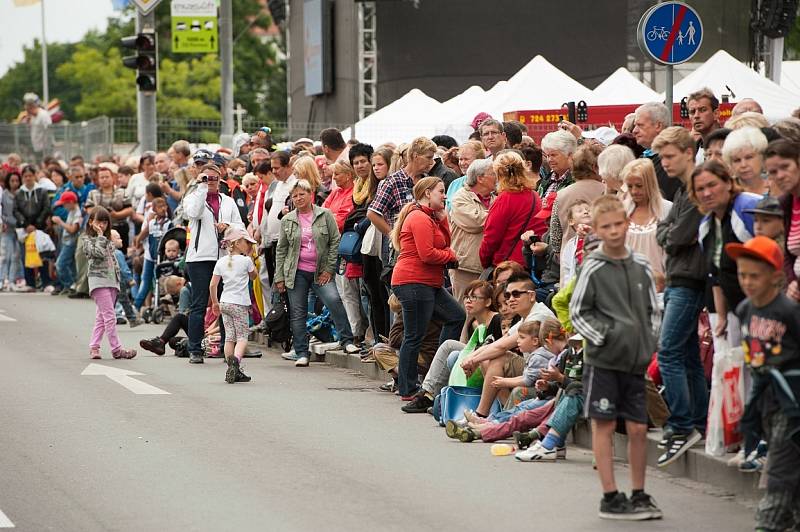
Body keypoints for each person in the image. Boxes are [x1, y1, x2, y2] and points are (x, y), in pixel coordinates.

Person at [569, 195, 661, 521]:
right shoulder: (592, 267)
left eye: (618, 224)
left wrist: (649, 341)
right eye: (605, 226)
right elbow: (579, 312)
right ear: (595, 228)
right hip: (604, 362)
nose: (613, 231)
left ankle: (638, 492)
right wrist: (605, 337)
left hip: (635, 362)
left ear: (627, 224)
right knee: (604, 425)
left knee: (638, 428)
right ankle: (610, 495)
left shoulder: (640, 265)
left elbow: (654, 308)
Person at [727, 237, 800, 532]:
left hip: (792, 402)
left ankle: (767, 523)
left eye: (754, 275)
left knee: (781, 466)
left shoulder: (788, 311)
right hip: (765, 400)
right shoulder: (745, 310)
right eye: (742, 274)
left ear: (775, 276)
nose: (747, 281)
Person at [390, 176, 465, 399]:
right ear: (427, 194)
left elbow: (444, 242)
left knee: (456, 316)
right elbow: (428, 254)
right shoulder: (419, 218)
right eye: (441, 191)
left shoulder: (430, 217)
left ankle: (438, 371)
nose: (445, 195)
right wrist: (451, 256)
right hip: (414, 281)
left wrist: (443, 219)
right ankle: (408, 388)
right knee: (414, 336)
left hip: (428, 283)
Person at [274, 179, 359, 367]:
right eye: (294, 196)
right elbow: (281, 249)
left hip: (321, 271)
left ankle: (347, 341)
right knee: (298, 312)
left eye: (301, 194)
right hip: (296, 272)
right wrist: (279, 277)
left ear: (310, 194)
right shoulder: (288, 220)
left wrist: (329, 269)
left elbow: (335, 241)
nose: (298, 198)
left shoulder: (324, 215)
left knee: (334, 301)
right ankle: (302, 352)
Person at [691, 160, 760, 353]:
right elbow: (715, 274)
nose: (707, 193)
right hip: (730, 308)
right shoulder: (706, 226)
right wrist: (721, 316)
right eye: (700, 189)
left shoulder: (747, 207)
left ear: (728, 183)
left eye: (712, 185)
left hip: (759, 307)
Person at [403, 280, 501, 413]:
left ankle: (429, 395)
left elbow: (496, 347)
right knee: (453, 355)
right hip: (477, 361)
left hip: (492, 362)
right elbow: (467, 348)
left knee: (450, 347)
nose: (468, 301)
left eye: (474, 297)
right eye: (467, 297)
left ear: (488, 302)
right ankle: (443, 398)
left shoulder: (496, 320)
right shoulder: (472, 321)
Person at [183, 163, 244, 365]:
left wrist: (229, 227)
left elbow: (240, 225)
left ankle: (228, 348)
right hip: (200, 258)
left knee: (226, 303)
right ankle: (195, 348)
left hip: (225, 257)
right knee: (199, 303)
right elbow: (194, 213)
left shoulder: (228, 201)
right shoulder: (192, 197)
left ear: (220, 180)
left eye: (214, 178)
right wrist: (201, 188)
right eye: (206, 177)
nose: (210, 181)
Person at [82, 207, 137, 360]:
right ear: (91, 222)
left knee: (101, 318)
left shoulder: (106, 239)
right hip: (98, 282)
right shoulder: (87, 240)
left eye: (105, 222)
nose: (102, 225)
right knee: (110, 317)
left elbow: (113, 259)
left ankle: (94, 347)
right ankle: (117, 349)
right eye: (99, 221)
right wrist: (100, 236)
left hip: (111, 282)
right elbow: (97, 254)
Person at [480, 152, 543, 270]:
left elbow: (491, 238)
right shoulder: (534, 196)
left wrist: (485, 262)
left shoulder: (504, 199)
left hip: (508, 265)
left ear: (499, 174)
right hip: (531, 261)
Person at [210, 228, 257, 384]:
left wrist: (215, 303)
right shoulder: (245, 261)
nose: (248, 245)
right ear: (237, 243)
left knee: (229, 337)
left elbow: (213, 285)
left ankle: (231, 367)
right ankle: (236, 363)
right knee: (242, 337)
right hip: (240, 304)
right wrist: (250, 258)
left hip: (224, 302)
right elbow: (254, 276)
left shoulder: (221, 262)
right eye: (246, 242)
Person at [449, 159, 495, 303]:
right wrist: (500, 216)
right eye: (493, 174)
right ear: (480, 178)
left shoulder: (495, 199)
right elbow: (475, 222)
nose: (497, 177)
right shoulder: (460, 198)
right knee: (465, 311)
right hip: (465, 266)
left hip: (488, 266)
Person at [620, 159, 672, 279]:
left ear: (650, 183)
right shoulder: (622, 210)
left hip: (660, 285)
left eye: (639, 186)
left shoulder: (668, 209)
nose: (634, 191)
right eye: (630, 186)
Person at [764, 139, 800, 303]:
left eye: (785, 167)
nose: (780, 176)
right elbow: (787, 253)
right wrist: (792, 281)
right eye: (772, 172)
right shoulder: (785, 203)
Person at [132, 197, 172, 312]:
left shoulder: (169, 224)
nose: (163, 208)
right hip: (150, 256)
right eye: (160, 207)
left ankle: (160, 306)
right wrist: (138, 246)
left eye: (165, 206)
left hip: (162, 258)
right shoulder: (151, 223)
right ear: (154, 209)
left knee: (158, 282)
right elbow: (141, 236)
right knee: (145, 281)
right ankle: (136, 306)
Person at [633, 102, 678, 201]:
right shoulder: (643, 158)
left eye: (640, 125)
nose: (634, 131)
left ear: (658, 126)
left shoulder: (673, 160)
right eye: (635, 125)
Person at [85, 164, 133, 253]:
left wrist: (116, 214)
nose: (104, 179)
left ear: (112, 177)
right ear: (98, 180)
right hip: (100, 230)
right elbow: (88, 209)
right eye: (101, 177)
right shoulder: (92, 193)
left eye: (107, 177)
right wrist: (101, 215)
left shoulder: (122, 192)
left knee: (121, 254)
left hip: (120, 227)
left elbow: (129, 209)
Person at [722, 126, 769, 196]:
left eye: (749, 157)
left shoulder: (778, 187)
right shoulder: (726, 193)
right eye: (737, 160)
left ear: (762, 157)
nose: (743, 165)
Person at [51, 191, 82, 295]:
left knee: (60, 264)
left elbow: (73, 229)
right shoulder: (72, 211)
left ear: (71, 202)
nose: (63, 206)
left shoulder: (78, 212)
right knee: (71, 265)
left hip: (71, 242)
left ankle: (70, 284)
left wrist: (60, 222)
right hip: (67, 241)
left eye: (65, 203)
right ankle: (71, 285)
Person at [445, 140, 486, 210]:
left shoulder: (487, 183)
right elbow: (447, 210)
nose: (462, 163)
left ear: (479, 160)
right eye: (460, 159)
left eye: (466, 159)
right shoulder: (454, 184)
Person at [537, 130, 576, 201]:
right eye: (547, 156)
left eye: (553, 155)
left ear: (569, 155)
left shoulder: (577, 180)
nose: (549, 160)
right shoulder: (545, 180)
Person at [1, 172, 23, 291]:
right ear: (8, 182)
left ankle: (12, 279)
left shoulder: (21, 194)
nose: (14, 183)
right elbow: (3, 212)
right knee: (5, 256)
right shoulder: (4, 194)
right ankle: (2, 279)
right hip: (8, 228)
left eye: (16, 181)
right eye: (12, 181)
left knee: (16, 255)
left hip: (20, 229)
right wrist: (6, 221)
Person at [23, 93, 52, 162]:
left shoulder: (43, 114)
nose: (27, 112)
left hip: (45, 147)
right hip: (36, 146)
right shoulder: (31, 117)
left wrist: (47, 144)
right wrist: (27, 121)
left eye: (28, 110)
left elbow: (49, 128)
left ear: (31, 108)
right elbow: (28, 130)